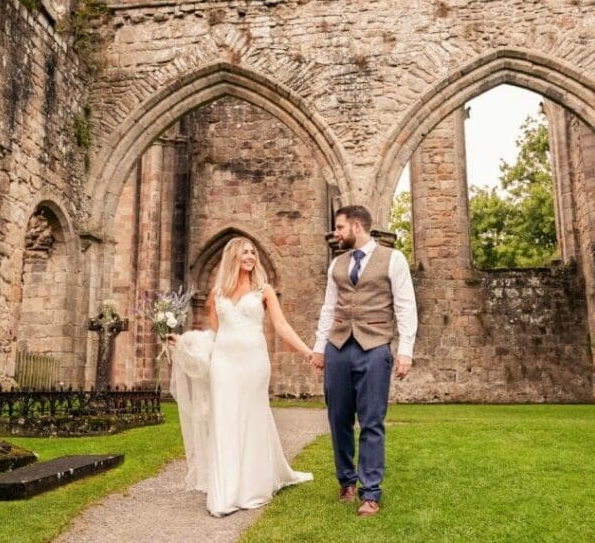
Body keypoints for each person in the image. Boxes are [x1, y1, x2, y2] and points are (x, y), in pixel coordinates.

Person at [169, 236, 315, 517]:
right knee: (224, 421)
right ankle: (224, 492)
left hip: (254, 364)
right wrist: (183, 341)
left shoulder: (264, 290)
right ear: (233, 256)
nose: (251, 256)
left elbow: (281, 325)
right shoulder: (216, 294)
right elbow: (213, 334)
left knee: (251, 418)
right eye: (245, 252)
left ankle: (252, 487)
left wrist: (307, 352)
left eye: (253, 252)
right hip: (224, 364)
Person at [311, 205, 417, 517]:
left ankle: (371, 493)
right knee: (338, 418)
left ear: (357, 226)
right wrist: (320, 348)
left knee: (372, 421)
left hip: (374, 348)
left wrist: (405, 350)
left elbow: (405, 306)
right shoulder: (336, 264)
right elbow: (329, 308)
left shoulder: (393, 259)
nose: (336, 234)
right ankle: (347, 481)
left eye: (340, 228)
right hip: (338, 347)